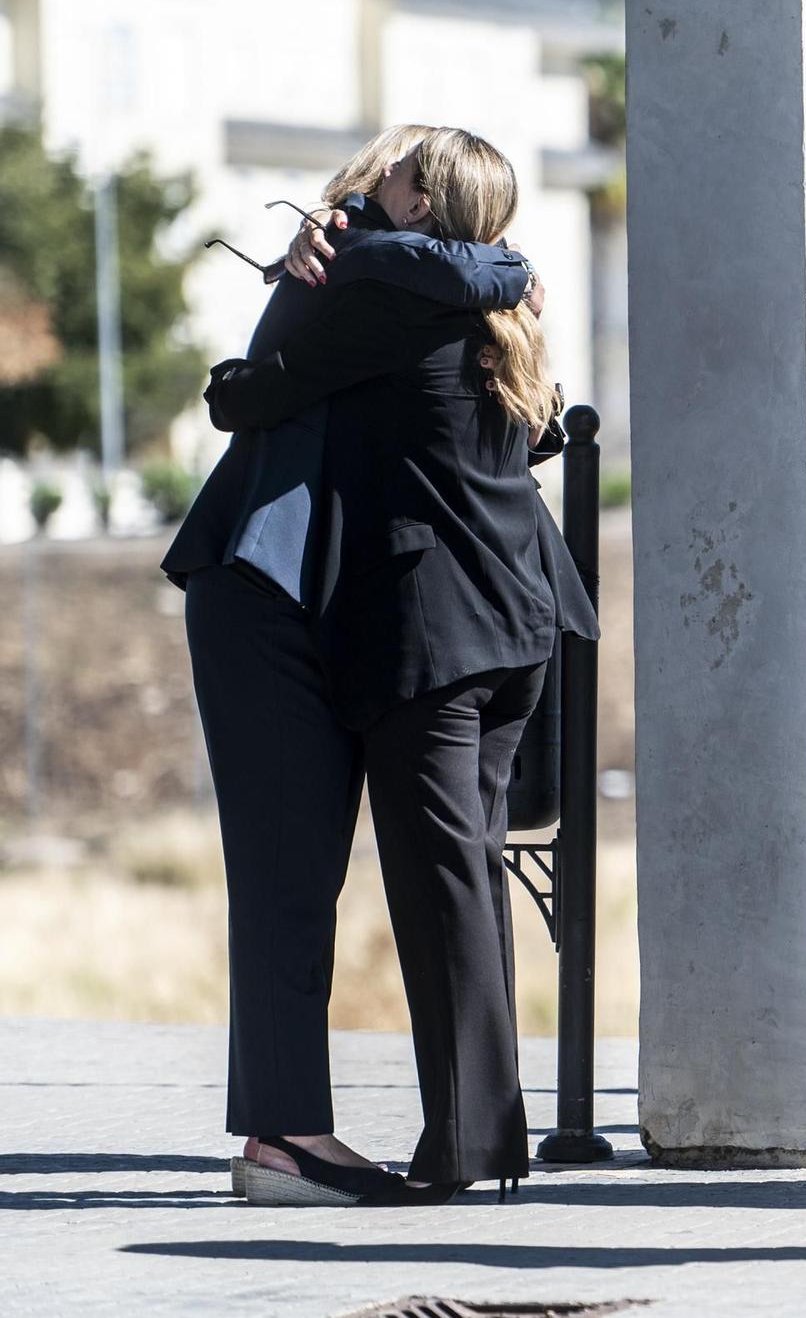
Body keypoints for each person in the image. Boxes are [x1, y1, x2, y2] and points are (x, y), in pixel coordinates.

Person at [204, 128, 597, 1206]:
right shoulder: (499, 305)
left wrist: (238, 376)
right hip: (503, 618)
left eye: (394, 173)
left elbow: (248, 397)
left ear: (421, 204)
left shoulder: (368, 270)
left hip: (418, 622)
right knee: (447, 877)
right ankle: (457, 1139)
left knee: (413, 878)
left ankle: (408, 1140)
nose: (371, 178)